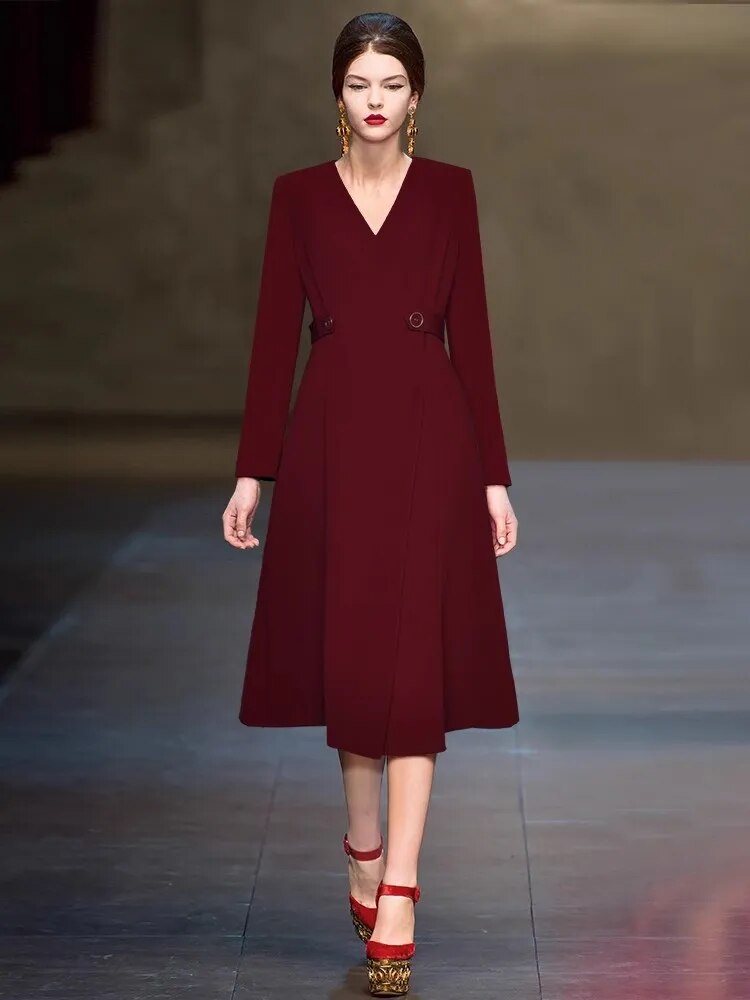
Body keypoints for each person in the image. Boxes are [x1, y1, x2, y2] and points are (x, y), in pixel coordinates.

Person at [222, 12, 520, 996]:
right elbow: (274, 335)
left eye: (393, 82)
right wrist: (253, 472)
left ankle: (400, 885)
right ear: (338, 95)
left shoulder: (450, 192)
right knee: (354, 661)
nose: (377, 99)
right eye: (360, 83)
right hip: (334, 442)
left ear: (416, 95)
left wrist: (493, 477)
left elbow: (473, 334)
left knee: (414, 668)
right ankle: (362, 842)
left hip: (432, 441)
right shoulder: (300, 197)